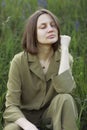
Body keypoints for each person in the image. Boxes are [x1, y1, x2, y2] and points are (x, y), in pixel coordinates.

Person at [3, 8, 78, 130]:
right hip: (24, 119)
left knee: (65, 98)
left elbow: (66, 90)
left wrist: (64, 48)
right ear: (32, 33)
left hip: (51, 117)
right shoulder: (19, 61)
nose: (50, 29)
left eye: (53, 25)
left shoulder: (64, 58)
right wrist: (28, 126)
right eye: (43, 27)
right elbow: (11, 106)